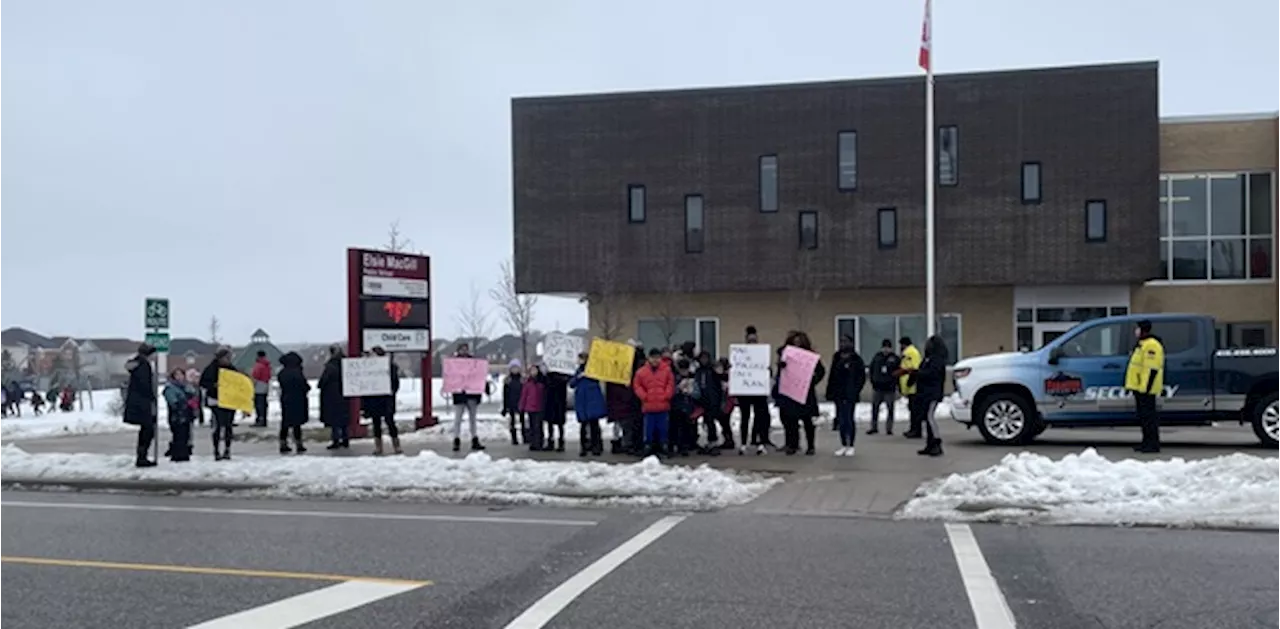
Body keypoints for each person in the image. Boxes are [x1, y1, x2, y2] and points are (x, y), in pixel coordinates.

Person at [775, 331, 826, 456]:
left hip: (805, 393)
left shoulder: (809, 356)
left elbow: (821, 371)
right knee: (790, 421)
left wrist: (813, 380)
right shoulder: (786, 355)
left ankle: (810, 446)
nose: (797, 344)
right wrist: (781, 367)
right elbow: (780, 373)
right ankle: (792, 444)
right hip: (789, 392)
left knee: (807, 421)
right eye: (794, 342)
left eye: (799, 342)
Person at [1126, 319, 1165, 453]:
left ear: (1143, 330)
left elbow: (1152, 369)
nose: (1135, 331)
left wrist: (1146, 388)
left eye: (1137, 328)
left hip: (1146, 389)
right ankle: (1146, 442)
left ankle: (1152, 444)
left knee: (1149, 418)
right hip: (1140, 388)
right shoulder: (1141, 345)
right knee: (1143, 417)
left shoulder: (1151, 345)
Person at [825, 335, 866, 456]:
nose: (843, 344)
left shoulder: (856, 359)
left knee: (849, 419)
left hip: (850, 394)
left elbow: (861, 377)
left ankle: (851, 444)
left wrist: (855, 390)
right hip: (838, 393)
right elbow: (832, 375)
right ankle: (843, 444)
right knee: (841, 420)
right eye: (841, 342)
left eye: (846, 342)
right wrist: (830, 391)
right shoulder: (837, 357)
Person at [909, 335, 949, 457]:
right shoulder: (927, 359)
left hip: (933, 393)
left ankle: (937, 443)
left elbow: (932, 374)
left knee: (930, 417)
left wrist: (917, 373)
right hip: (924, 393)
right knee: (926, 418)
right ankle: (929, 444)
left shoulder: (937, 360)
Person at [738, 325, 775, 455]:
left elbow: (768, 371)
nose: (752, 343)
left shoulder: (761, 355)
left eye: (754, 341)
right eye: (750, 341)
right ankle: (743, 443)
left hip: (758, 390)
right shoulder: (740, 354)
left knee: (760, 416)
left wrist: (767, 371)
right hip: (745, 390)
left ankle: (760, 442)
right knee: (745, 417)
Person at [633, 348, 675, 457]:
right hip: (648, 406)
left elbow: (670, 384)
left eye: (657, 357)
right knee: (649, 428)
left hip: (663, 405)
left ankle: (663, 446)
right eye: (653, 358)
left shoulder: (667, 370)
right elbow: (637, 385)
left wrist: (666, 395)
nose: (655, 360)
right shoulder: (641, 372)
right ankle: (648, 446)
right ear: (649, 358)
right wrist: (644, 396)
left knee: (663, 428)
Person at [360, 347, 401, 456]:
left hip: (386, 399)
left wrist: (391, 391)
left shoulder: (390, 367)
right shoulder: (369, 368)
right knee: (376, 423)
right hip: (374, 399)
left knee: (390, 422)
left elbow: (395, 383)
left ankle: (396, 445)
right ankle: (378, 447)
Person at [123, 343, 158, 467]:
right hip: (142, 403)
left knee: (147, 429)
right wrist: (152, 397)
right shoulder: (143, 365)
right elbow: (145, 385)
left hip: (138, 402)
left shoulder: (137, 364)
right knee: (148, 429)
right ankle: (142, 456)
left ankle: (142, 455)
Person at [449, 343, 488, 452]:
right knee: (457, 419)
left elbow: (479, 376)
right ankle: (456, 440)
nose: (464, 351)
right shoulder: (454, 363)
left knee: (473, 419)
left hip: (472, 394)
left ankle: (474, 439)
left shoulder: (474, 362)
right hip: (459, 395)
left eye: (466, 349)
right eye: (462, 349)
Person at [606, 348, 644, 455]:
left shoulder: (620, 374)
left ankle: (623, 444)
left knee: (624, 425)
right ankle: (624, 444)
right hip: (622, 403)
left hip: (622, 403)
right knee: (624, 425)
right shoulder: (620, 374)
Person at [570, 352, 607, 456]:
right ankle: (584, 447)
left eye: (581, 359)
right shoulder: (578, 371)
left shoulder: (593, 370)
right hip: (582, 402)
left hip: (592, 402)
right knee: (583, 426)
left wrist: (588, 375)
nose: (580, 361)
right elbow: (571, 384)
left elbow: (598, 378)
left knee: (594, 425)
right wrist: (578, 377)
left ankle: (597, 446)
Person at [695, 351, 733, 451]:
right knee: (708, 421)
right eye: (702, 359)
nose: (704, 360)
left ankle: (727, 438)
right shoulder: (698, 371)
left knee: (722, 419)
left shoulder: (712, 370)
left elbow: (723, 378)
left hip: (715, 399)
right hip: (703, 400)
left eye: (706, 358)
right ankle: (712, 439)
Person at [276, 351, 310, 454]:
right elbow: (304, 386)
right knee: (297, 424)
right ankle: (299, 443)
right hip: (298, 399)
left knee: (285, 422)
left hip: (286, 398)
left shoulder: (282, 373)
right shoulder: (297, 372)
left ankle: (283, 443)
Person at [317, 345, 349, 450]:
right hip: (345, 393)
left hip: (332, 395)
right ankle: (345, 439)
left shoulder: (331, 366)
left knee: (334, 419)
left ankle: (336, 440)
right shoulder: (346, 363)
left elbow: (323, 381)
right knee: (344, 417)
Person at [867, 339, 900, 435]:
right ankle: (874, 427)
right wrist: (873, 381)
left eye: (888, 348)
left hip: (889, 389)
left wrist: (895, 384)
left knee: (890, 409)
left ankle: (889, 428)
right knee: (875, 408)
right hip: (878, 387)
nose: (886, 350)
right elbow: (871, 369)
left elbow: (899, 372)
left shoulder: (895, 359)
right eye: (884, 347)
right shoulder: (877, 357)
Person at [162, 368, 194, 462]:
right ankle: (178, 455)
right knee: (178, 435)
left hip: (187, 415)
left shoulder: (186, 387)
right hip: (177, 416)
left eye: (181, 375)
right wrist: (184, 403)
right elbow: (173, 402)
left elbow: (193, 397)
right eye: (177, 375)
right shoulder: (170, 388)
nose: (179, 377)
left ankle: (184, 454)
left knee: (186, 436)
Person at [896, 337, 923, 439]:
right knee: (912, 408)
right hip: (909, 386)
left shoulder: (911, 352)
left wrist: (910, 382)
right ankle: (913, 429)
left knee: (915, 409)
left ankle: (916, 430)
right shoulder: (908, 352)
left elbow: (914, 368)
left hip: (913, 386)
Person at [519, 364, 547, 451]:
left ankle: (539, 443)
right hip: (530, 408)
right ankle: (533, 443)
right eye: (531, 371)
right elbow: (524, 395)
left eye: (534, 370)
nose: (533, 372)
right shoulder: (528, 383)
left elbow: (544, 395)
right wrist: (521, 406)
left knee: (538, 426)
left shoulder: (541, 382)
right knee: (532, 426)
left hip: (539, 407)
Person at [501, 359, 525, 445]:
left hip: (521, 403)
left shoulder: (523, 380)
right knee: (512, 421)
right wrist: (504, 407)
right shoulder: (508, 381)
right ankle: (514, 438)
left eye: (516, 368)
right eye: (513, 368)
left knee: (523, 421)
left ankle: (524, 436)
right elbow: (505, 394)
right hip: (511, 403)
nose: (515, 370)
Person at [251, 350, 272, 427]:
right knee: (263, 403)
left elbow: (255, 376)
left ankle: (259, 419)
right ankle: (264, 419)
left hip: (258, 385)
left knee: (258, 403)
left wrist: (253, 384)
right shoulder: (267, 365)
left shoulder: (258, 365)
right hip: (265, 384)